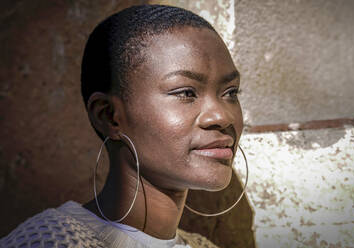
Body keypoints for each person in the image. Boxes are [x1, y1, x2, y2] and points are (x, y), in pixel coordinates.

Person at [0, 4, 245, 248]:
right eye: (186, 93)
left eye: (230, 92)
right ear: (109, 116)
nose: (221, 117)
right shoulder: (50, 241)